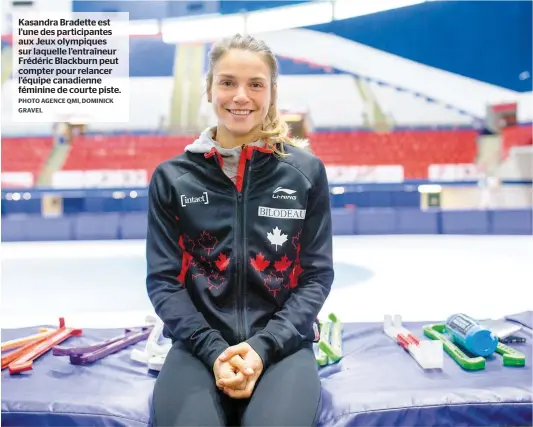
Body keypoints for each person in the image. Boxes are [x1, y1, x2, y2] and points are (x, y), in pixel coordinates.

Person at [146, 33, 334, 427]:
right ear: (210, 88)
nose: (240, 96)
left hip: (283, 345)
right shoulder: (173, 178)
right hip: (198, 347)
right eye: (228, 82)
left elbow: (316, 276)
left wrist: (262, 347)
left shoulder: (305, 173)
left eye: (255, 84)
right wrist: (214, 350)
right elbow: (164, 281)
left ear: (272, 92)